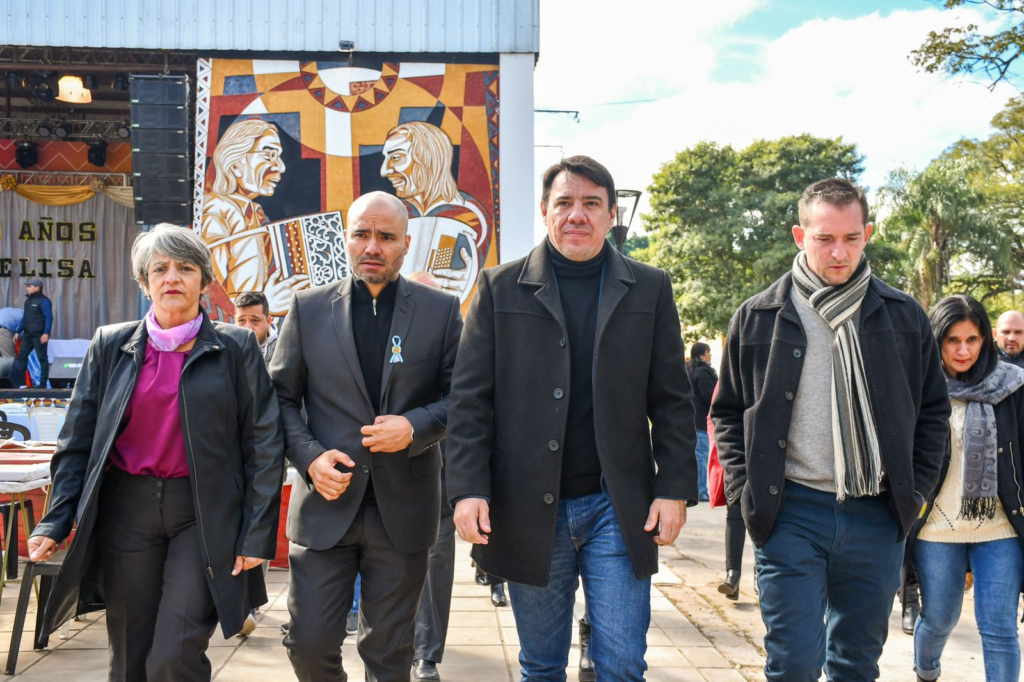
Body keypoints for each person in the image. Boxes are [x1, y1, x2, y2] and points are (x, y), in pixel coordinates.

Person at [446, 155, 697, 680]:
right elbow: (470, 402)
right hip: (529, 507)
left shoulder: (650, 287)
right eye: (564, 202)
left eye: (591, 203)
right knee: (541, 666)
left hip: (617, 506)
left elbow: (672, 399)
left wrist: (674, 488)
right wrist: (468, 489)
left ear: (611, 214)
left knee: (622, 663)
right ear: (545, 211)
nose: (576, 214)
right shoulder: (499, 288)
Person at [711, 177, 950, 682]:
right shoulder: (757, 316)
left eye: (851, 238)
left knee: (856, 666)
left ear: (867, 235)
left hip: (876, 515)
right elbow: (727, 412)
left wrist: (916, 494)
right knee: (793, 664)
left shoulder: (904, 316)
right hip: (790, 513)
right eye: (824, 239)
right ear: (800, 236)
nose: (839, 252)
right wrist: (744, 488)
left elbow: (934, 412)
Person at [26, 224, 284, 682]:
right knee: (130, 655)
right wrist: (55, 520)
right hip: (127, 512)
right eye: (159, 269)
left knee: (175, 652)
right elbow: (77, 442)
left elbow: (263, 444)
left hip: (202, 515)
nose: (172, 278)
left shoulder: (236, 346)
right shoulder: (110, 344)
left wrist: (256, 532)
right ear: (144, 283)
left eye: (186, 268)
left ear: (204, 281)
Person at [270, 191, 462, 682]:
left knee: (388, 655)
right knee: (308, 645)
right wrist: (309, 458)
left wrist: (415, 427)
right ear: (346, 238)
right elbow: (279, 400)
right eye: (361, 234)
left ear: (406, 244)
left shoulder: (441, 311)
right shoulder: (308, 309)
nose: (372, 246)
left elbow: (463, 397)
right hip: (324, 505)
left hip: (405, 510)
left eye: (386, 236)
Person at [906, 295, 1024, 682]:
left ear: (985, 339)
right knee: (940, 618)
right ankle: (926, 670)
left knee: (1000, 628)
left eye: (972, 340)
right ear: (936, 340)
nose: (963, 351)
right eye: (952, 340)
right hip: (936, 528)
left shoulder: (1013, 385)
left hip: (1001, 527)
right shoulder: (918, 388)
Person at [404, 270, 460, 681]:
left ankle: (426, 655)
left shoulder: (457, 343)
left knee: (435, 566)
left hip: (440, 476)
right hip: (386, 477)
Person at [201, 118, 309, 315]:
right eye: (269, 155)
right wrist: (266, 305)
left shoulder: (255, 214)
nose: (281, 167)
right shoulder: (217, 211)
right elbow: (210, 294)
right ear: (234, 163)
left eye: (278, 156)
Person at [380, 121, 489, 301]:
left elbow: (464, 280)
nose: (385, 171)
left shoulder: (468, 215)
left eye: (396, 157)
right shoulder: (393, 212)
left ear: (427, 159)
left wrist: (463, 282)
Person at [10, 278, 53, 388]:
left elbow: (49, 317)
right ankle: (20, 383)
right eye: (27, 286)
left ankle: (42, 384)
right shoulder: (28, 301)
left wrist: (46, 333)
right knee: (21, 357)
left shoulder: (44, 301)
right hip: (27, 335)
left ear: (37, 288)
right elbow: (25, 318)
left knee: (42, 358)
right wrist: (18, 331)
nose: (27, 288)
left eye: (30, 286)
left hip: (39, 335)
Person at [688, 342, 717, 502]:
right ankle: (701, 491)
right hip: (701, 420)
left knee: (697, 456)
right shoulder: (703, 372)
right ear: (702, 354)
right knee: (701, 456)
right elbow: (709, 395)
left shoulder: (690, 370)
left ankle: (698, 490)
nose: (710, 355)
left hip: (692, 418)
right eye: (708, 352)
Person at [235, 291, 278, 363]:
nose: (248, 328)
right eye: (241, 320)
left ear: (268, 322)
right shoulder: (225, 351)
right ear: (235, 321)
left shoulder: (282, 353)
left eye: (254, 320)